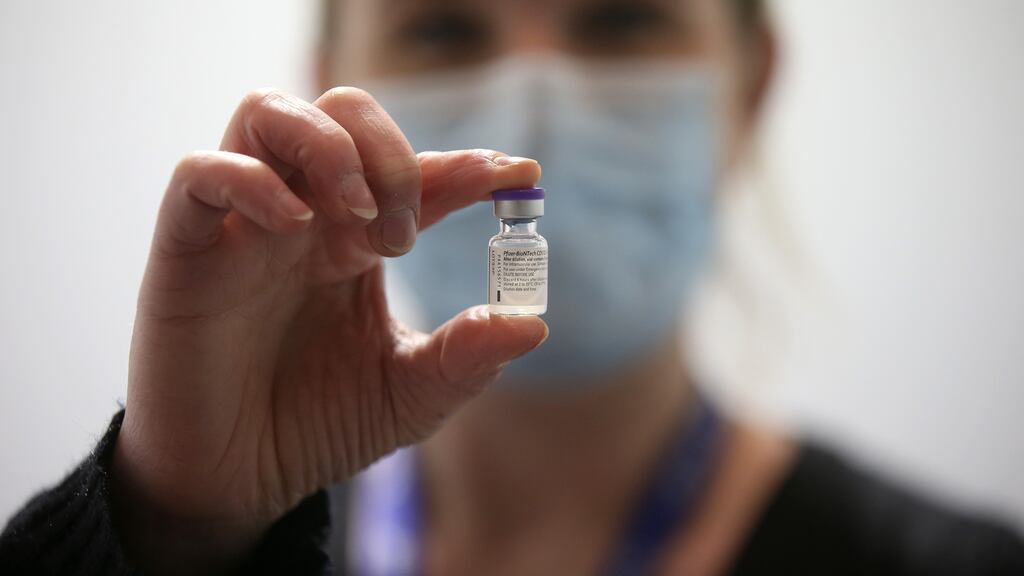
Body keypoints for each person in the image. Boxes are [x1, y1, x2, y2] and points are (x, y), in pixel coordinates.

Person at [2, 0, 1023, 574]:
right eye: (443, 29)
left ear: (746, 86)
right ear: (329, 93)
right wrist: (171, 534)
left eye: (621, 20)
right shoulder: (227, 532)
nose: (534, 111)